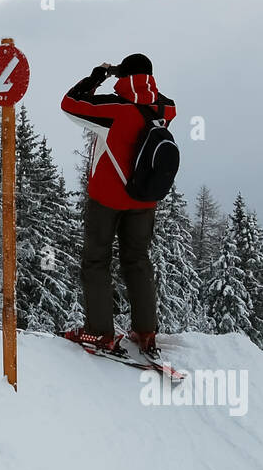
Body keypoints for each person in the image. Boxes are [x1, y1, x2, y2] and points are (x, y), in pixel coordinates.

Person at [59, 53, 176, 358]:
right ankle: (146, 331)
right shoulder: (166, 107)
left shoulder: (114, 109)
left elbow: (70, 104)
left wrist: (98, 75)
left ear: (124, 76)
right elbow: (150, 96)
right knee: (138, 260)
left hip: (107, 198)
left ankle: (100, 333)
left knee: (96, 261)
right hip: (144, 198)